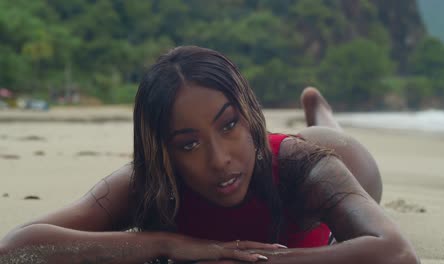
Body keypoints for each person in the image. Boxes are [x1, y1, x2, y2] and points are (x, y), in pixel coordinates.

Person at [0, 46, 419, 264]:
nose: (219, 159)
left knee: (329, 138)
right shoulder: (149, 185)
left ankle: (320, 111)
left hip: (334, 159)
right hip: (265, 151)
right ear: (163, 152)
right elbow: (16, 250)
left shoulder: (306, 169)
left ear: (248, 115)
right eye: (188, 144)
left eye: (228, 124)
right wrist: (166, 243)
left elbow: (396, 253)